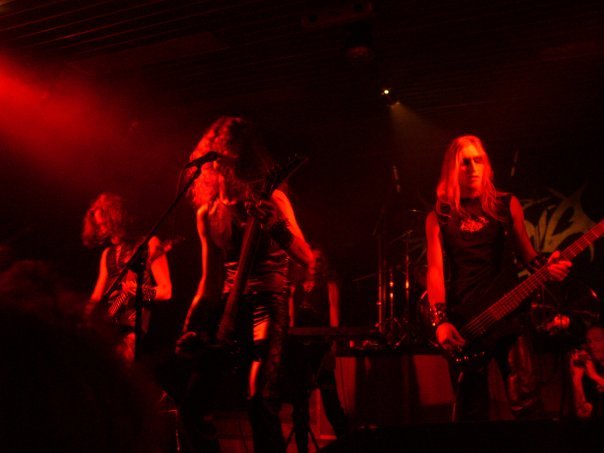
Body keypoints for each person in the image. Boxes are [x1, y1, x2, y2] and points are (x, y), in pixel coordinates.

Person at [176, 116, 314, 452]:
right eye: (218, 145)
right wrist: (191, 325)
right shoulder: (207, 213)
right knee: (192, 404)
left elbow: (306, 256)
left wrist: (277, 226)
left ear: (244, 155)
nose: (222, 154)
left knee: (259, 400)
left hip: (268, 303)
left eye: (231, 146)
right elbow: (209, 281)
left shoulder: (272, 198)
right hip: (229, 310)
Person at [425, 134, 571, 421]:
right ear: (452, 168)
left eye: (478, 160)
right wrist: (440, 321)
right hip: (467, 322)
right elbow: (435, 271)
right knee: (471, 412)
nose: (473, 168)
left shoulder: (506, 204)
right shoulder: (439, 216)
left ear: (487, 165)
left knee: (527, 403)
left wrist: (548, 268)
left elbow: (528, 255)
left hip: (510, 314)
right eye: (465, 162)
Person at [83, 192, 172, 362]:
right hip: (109, 323)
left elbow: (166, 291)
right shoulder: (107, 254)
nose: (100, 229)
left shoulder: (148, 244)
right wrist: (85, 318)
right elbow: (96, 297)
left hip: (133, 322)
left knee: (122, 365)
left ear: (115, 218)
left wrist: (141, 292)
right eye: (97, 225)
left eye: (104, 224)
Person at [287, 247, 349, 452]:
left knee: (331, 402)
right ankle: (302, 449)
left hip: (321, 348)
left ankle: (348, 444)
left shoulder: (329, 286)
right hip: (298, 351)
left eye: (319, 260)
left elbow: (335, 321)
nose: (315, 264)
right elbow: (290, 322)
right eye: (311, 259)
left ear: (324, 264)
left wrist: (332, 350)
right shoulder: (294, 288)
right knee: (299, 407)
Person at [570, 324, 604, 418]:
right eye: (589, 341)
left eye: (598, 340)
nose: (592, 346)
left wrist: (595, 376)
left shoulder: (592, 372)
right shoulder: (591, 368)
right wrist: (577, 379)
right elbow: (583, 413)